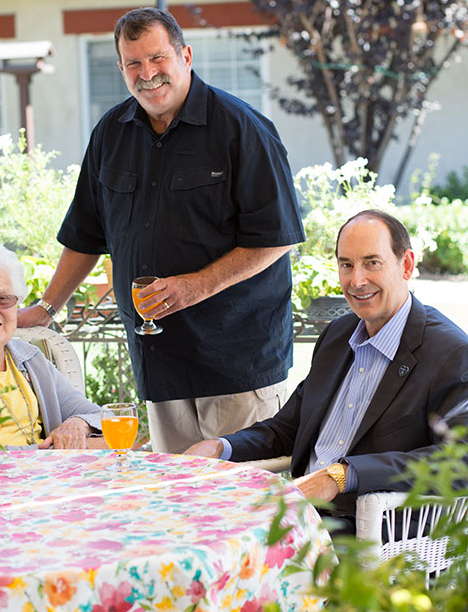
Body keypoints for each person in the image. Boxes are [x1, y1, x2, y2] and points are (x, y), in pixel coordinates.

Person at [17, 6, 305, 453]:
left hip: (236, 362)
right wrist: (48, 307)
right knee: (177, 505)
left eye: (157, 59)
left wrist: (193, 287)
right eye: (133, 63)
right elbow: (85, 235)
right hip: (160, 364)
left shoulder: (241, 128)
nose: (147, 74)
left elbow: (276, 237)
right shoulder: (110, 133)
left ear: (185, 56)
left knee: (241, 503)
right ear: (120, 68)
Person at [185, 210, 468, 531]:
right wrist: (221, 447)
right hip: (297, 513)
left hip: (367, 529)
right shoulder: (337, 335)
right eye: (346, 264)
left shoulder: (451, 352)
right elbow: (287, 429)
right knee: (191, 525)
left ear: (406, 265)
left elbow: (459, 461)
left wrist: (345, 475)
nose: (356, 281)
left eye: (372, 263)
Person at [0, 239, 103, 449]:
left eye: (3, 298)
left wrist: (78, 424)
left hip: (46, 476)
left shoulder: (29, 358)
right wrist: (48, 451)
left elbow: (98, 416)